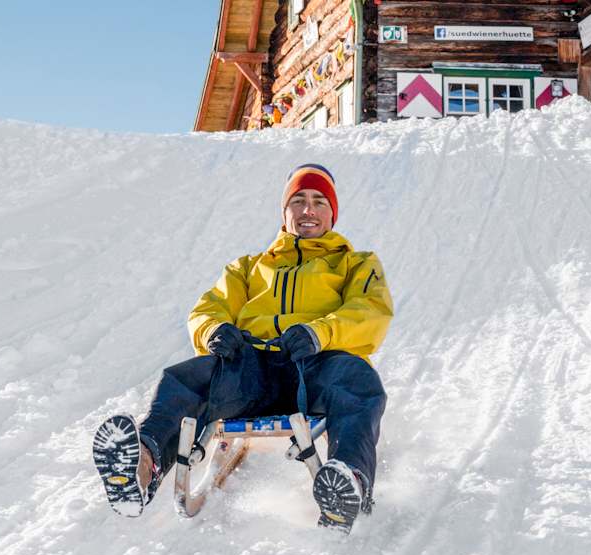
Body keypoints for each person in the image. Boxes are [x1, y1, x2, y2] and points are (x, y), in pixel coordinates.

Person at [94, 164, 393, 532]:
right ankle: (141, 466)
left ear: (332, 212)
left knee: (358, 382)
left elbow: (371, 310)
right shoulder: (248, 268)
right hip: (253, 371)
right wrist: (215, 329)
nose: (308, 210)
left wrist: (320, 332)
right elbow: (208, 308)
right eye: (297, 201)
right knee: (188, 378)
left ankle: (348, 482)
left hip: (316, 365)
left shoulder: (356, 263)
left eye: (318, 201)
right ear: (284, 214)